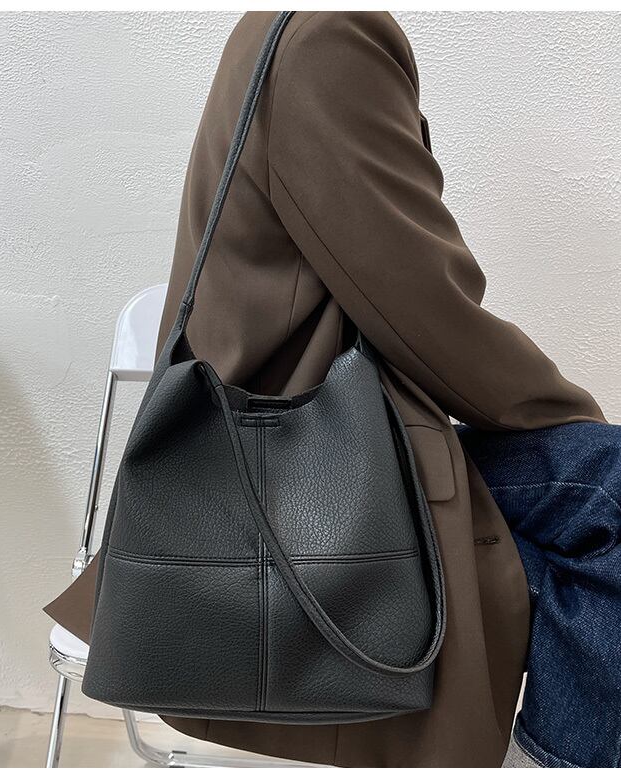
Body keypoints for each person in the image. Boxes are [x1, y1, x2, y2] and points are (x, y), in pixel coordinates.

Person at [46, 12, 613, 767]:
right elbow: (420, 304)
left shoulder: (284, 25)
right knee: (608, 491)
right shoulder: (329, 35)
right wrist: (570, 420)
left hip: (282, 455)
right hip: (305, 475)